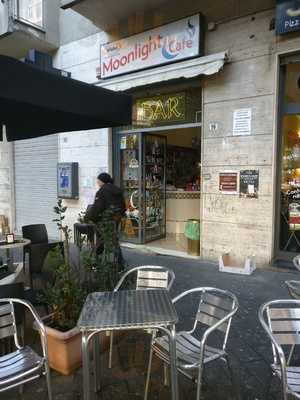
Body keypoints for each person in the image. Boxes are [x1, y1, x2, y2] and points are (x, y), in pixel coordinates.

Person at [85, 173, 126, 268]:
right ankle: (119, 264)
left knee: (100, 241)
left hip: (103, 221)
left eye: (98, 180)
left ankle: (97, 264)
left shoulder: (102, 191)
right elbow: (123, 207)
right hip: (115, 220)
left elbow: (97, 208)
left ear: (102, 181)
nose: (97, 182)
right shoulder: (117, 191)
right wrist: (118, 217)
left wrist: (89, 218)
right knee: (113, 241)